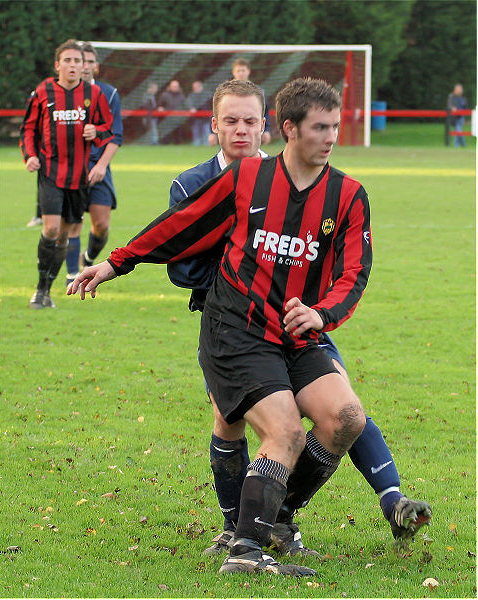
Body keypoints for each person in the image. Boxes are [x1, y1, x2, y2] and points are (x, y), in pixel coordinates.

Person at [69, 77, 375, 577]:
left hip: (296, 334)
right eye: (320, 128)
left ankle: (273, 522)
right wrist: (115, 263)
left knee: (346, 419)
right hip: (236, 331)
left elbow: (354, 272)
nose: (331, 137)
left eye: (336, 127)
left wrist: (322, 314)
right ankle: (244, 552)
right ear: (290, 129)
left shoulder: (348, 195)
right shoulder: (247, 178)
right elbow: (179, 225)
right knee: (285, 432)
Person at [167, 80, 432, 557]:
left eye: (251, 120)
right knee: (229, 422)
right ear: (214, 127)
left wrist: (308, 298)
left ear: (270, 125)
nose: (243, 130)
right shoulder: (194, 184)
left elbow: (340, 263)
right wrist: (240, 273)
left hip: (298, 323)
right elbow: (181, 261)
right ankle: (238, 530)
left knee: (342, 408)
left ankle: (280, 520)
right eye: (232, 121)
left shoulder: (289, 179)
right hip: (231, 325)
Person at [20, 39, 114, 309]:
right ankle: (40, 290)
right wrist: (30, 155)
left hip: (79, 178)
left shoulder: (93, 94)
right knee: (50, 229)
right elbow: (27, 128)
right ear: (57, 65)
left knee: (64, 234)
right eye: (68, 61)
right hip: (50, 173)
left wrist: (96, 131)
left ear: (83, 66)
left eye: (78, 61)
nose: (73, 65)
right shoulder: (43, 92)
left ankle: (46, 290)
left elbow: (108, 130)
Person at [64, 42, 123, 286]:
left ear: (95, 66)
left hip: (99, 167)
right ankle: (70, 277)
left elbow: (115, 135)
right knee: (72, 224)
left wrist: (101, 165)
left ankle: (88, 257)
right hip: (71, 169)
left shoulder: (108, 93)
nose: (84, 66)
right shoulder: (63, 94)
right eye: (80, 60)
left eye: (88, 61)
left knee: (101, 225)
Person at [208, 57, 271, 147]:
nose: (241, 73)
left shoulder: (258, 92)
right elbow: (216, 112)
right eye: (238, 71)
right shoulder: (224, 92)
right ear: (233, 72)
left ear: (248, 71)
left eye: (243, 70)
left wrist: (267, 130)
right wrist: (211, 132)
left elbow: (265, 112)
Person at [158, 79, 186, 144]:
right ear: (170, 87)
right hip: (167, 119)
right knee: (166, 136)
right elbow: (160, 105)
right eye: (173, 86)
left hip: (178, 119)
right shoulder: (164, 95)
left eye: (176, 86)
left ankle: (179, 149)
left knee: (178, 136)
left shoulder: (181, 95)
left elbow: (185, 105)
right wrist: (160, 108)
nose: (175, 87)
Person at [186, 80, 212, 146]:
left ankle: (206, 146)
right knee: (196, 134)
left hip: (206, 118)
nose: (195, 88)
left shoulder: (207, 95)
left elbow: (212, 104)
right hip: (195, 119)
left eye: (196, 87)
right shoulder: (191, 96)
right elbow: (188, 103)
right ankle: (196, 147)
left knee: (206, 133)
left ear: (201, 87)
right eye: (194, 87)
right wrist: (191, 108)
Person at [447, 83, 468, 148]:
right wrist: (453, 108)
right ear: (455, 90)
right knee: (458, 130)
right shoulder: (451, 97)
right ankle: (461, 145)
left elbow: (466, 107)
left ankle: (457, 145)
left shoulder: (463, 98)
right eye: (459, 89)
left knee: (458, 130)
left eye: (461, 89)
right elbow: (449, 105)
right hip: (455, 117)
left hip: (462, 117)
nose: (460, 91)